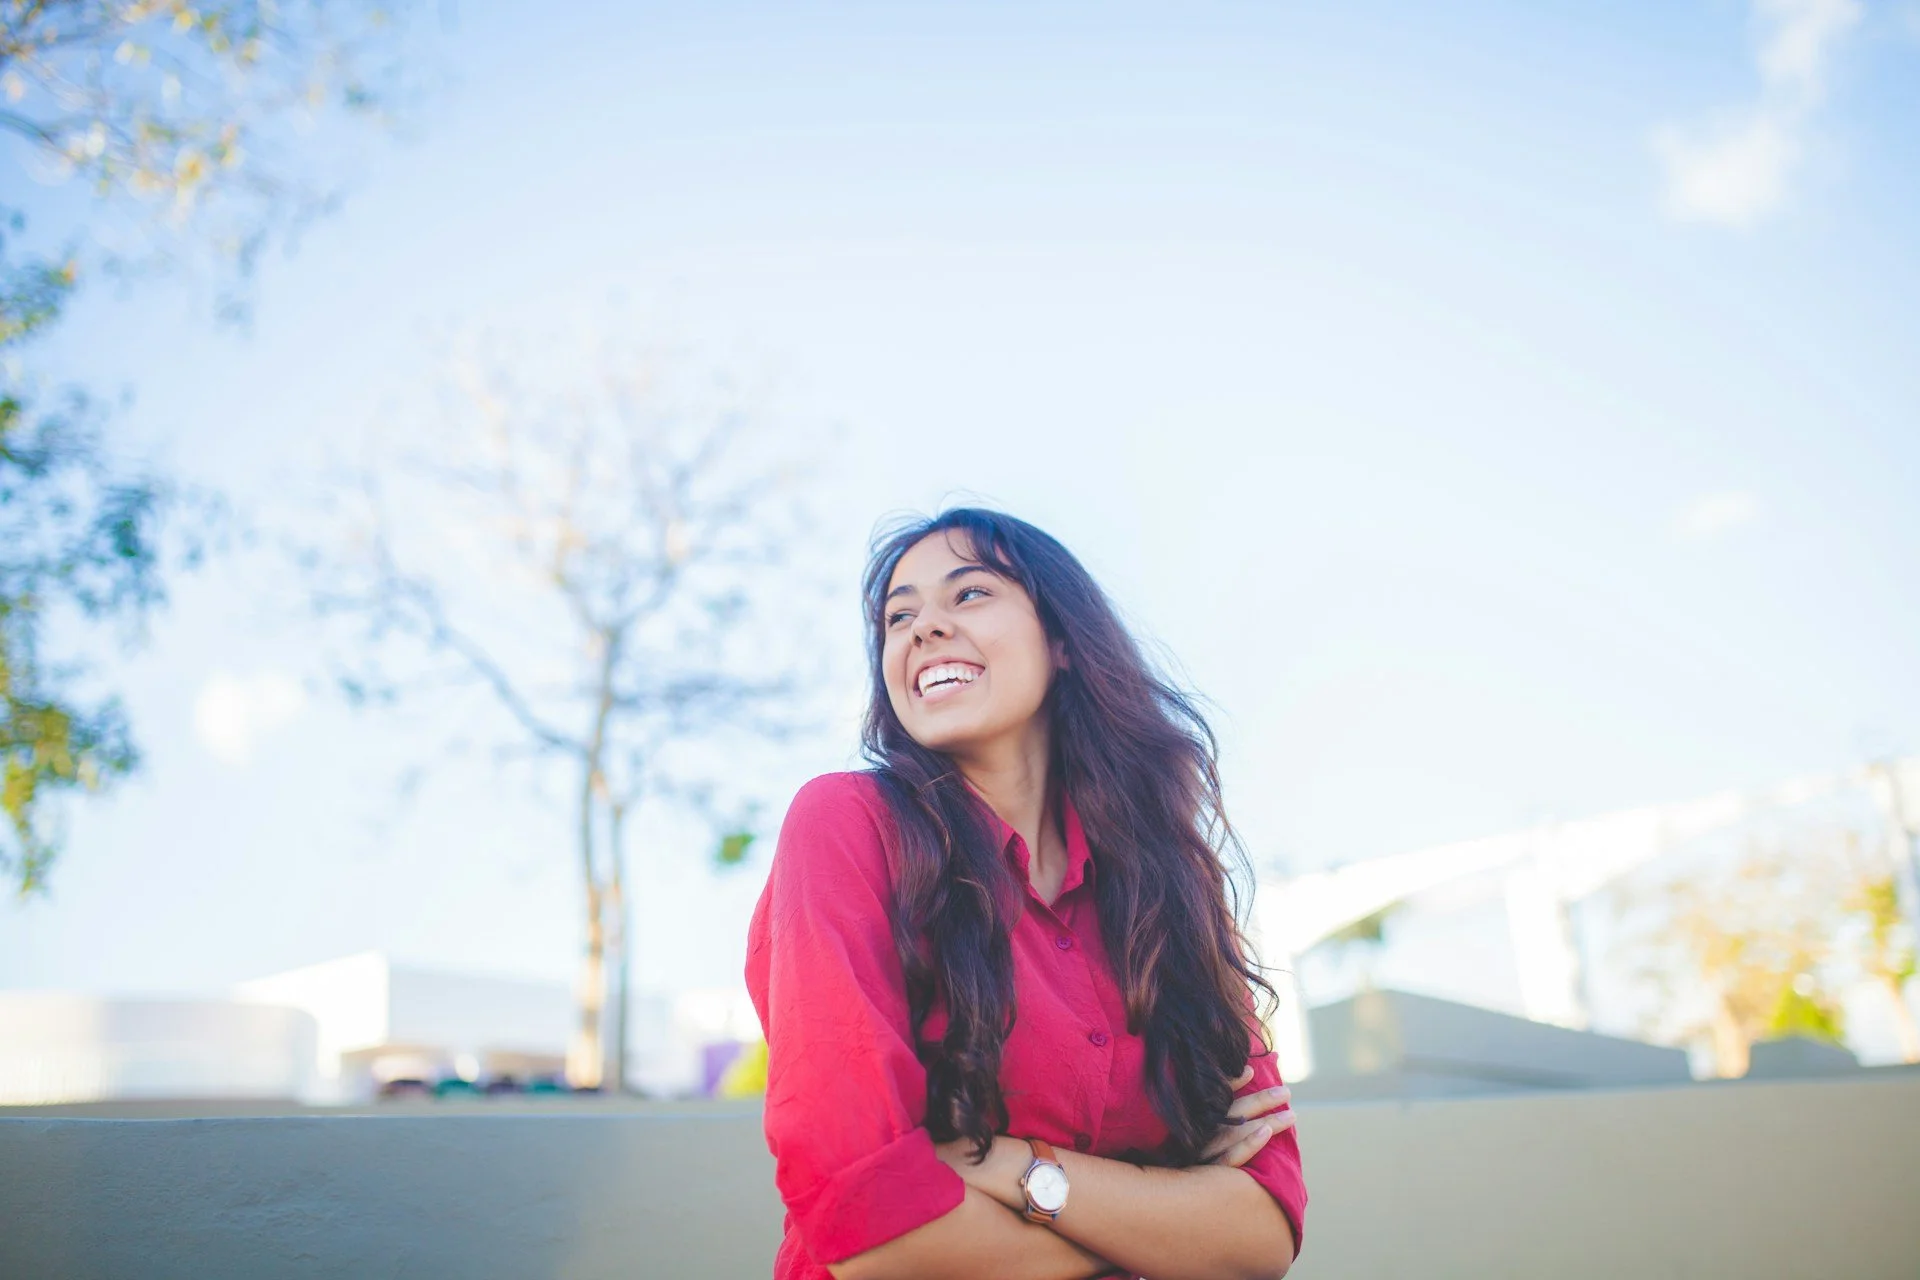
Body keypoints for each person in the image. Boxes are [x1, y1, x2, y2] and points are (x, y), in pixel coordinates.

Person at [746, 508, 1305, 1280]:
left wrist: (1008, 1169)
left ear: (1064, 641)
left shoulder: (1174, 886)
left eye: (968, 594)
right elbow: (874, 1234)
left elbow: (1263, 1235)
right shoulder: (846, 825)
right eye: (898, 616)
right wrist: (1158, 1223)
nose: (923, 629)